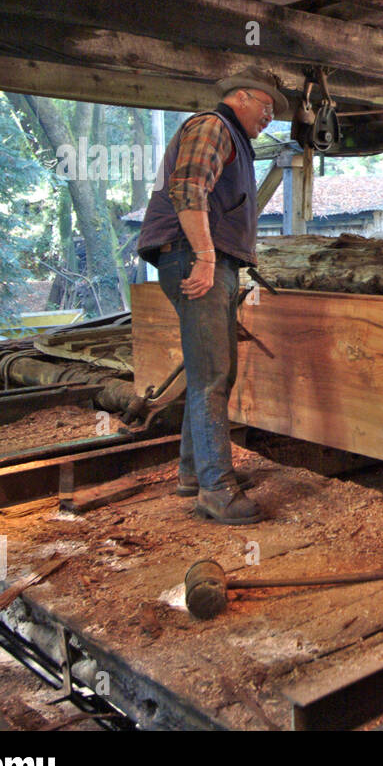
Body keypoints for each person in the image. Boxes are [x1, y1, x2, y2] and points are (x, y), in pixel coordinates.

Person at [136, 67, 288, 525]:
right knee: (211, 377)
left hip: (206, 260)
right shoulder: (213, 125)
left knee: (213, 372)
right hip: (194, 258)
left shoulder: (235, 138)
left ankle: (192, 474)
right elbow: (188, 188)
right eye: (265, 106)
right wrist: (205, 256)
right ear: (238, 96)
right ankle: (216, 490)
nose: (269, 116)